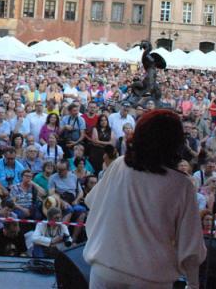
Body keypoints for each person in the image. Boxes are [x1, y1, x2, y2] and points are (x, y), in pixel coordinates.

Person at [84, 109, 205, 289]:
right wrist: (193, 284)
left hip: (105, 269)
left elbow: (92, 202)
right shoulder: (182, 185)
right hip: (151, 277)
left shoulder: (119, 165)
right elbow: (190, 244)